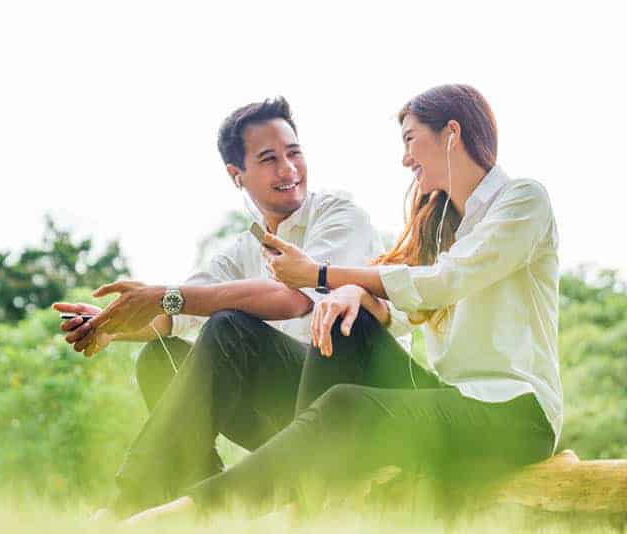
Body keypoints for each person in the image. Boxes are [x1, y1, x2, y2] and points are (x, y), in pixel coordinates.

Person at [123, 84, 561, 524]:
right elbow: (405, 311)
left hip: (514, 414)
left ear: (451, 133)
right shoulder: (440, 223)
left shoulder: (522, 200)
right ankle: (297, 493)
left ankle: (193, 513)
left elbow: (446, 281)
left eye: (410, 139)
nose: (406, 157)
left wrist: (324, 276)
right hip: (447, 398)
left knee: (346, 403)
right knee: (341, 318)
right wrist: (354, 295)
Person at [52, 96, 400, 516]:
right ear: (238, 175)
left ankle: (132, 498)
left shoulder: (341, 216)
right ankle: (199, 497)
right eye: (269, 159)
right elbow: (178, 314)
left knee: (231, 327)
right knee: (159, 360)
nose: (288, 170)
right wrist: (112, 325)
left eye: (294, 153)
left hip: (347, 405)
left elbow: (291, 299)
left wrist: (164, 293)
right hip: (285, 412)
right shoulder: (242, 249)